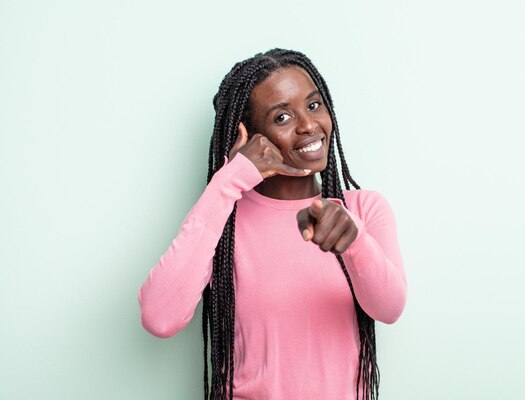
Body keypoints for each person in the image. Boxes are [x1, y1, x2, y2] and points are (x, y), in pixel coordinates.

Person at [138, 48, 407, 400]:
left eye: (313, 105)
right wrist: (227, 182)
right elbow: (160, 318)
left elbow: (389, 308)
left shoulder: (363, 208)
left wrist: (353, 240)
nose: (309, 125)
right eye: (282, 117)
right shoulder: (223, 221)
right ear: (249, 135)